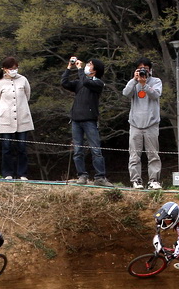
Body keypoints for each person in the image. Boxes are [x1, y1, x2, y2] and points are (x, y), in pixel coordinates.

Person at [62, 56, 112, 187]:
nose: (86, 66)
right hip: (76, 119)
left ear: (95, 70)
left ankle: (100, 177)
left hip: (90, 119)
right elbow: (64, 83)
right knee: (78, 150)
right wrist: (69, 68)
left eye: (90, 64)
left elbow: (86, 82)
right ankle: (81, 175)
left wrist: (79, 69)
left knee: (96, 150)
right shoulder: (80, 82)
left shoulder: (98, 83)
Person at [123, 57, 163, 190]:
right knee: (134, 155)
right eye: (140, 69)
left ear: (150, 70)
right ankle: (136, 180)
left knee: (153, 154)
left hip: (151, 124)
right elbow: (126, 93)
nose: (142, 72)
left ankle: (154, 180)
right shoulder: (133, 82)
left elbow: (155, 95)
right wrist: (135, 80)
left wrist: (144, 84)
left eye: (145, 69)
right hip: (135, 124)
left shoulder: (156, 81)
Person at [0, 57, 33, 180]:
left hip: (22, 117)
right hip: (6, 119)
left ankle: (22, 174)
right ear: (4, 69)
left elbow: (27, 95)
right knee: (7, 148)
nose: (13, 70)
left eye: (15, 68)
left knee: (22, 147)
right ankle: (7, 173)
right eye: (11, 68)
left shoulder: (23, 80)